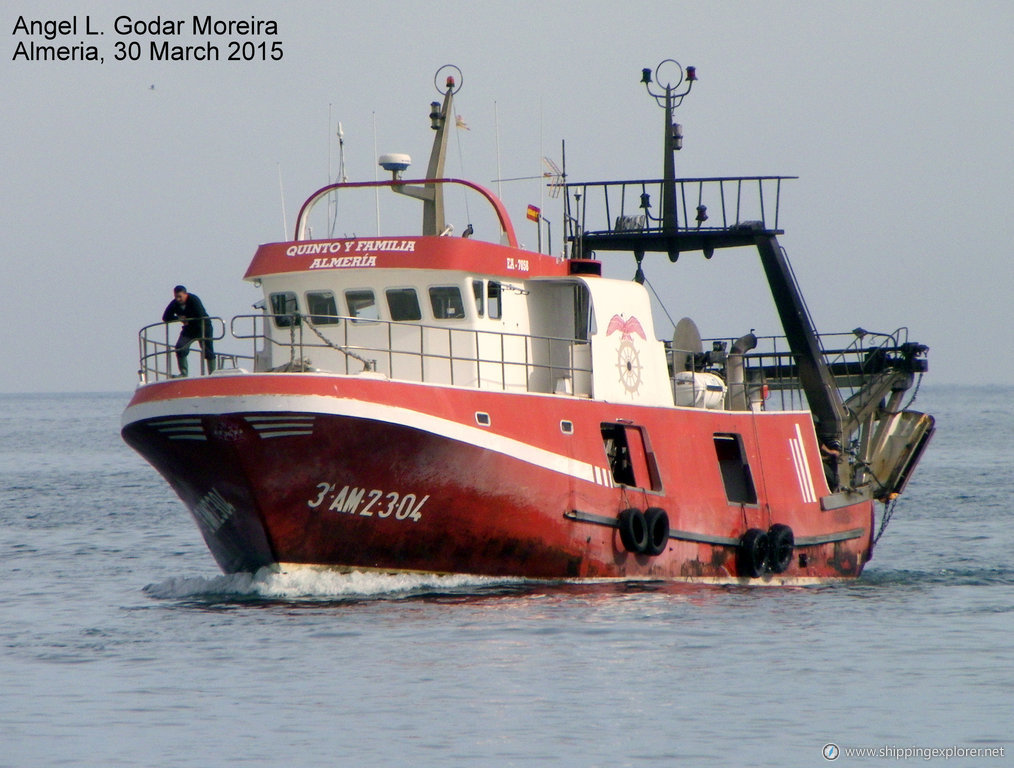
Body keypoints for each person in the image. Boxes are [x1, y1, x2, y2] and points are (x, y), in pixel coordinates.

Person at [162, 285, 215, 376]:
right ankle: (183, 373)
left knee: (208, 350)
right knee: (180, 347)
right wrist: (178, 318)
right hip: (189, 329)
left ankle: (213, 373)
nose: (178, 299)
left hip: (203, 327)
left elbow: (200, 314)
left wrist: (188, 318)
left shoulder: (193, 300)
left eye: (180, 296)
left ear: (185, 294)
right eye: (176, 297)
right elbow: (165, 317)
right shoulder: (175, 303)